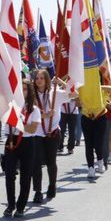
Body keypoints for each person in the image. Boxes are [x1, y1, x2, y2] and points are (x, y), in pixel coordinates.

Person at [28, 69, 69, 203]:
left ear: (47, 80)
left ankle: (52, 185)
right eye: (37, 78)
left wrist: (61, 82)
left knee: (51, 161)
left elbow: (74, 94)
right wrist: (44, 115)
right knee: (36, 162)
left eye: (41, 78)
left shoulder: (55, 93)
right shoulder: (31, 95)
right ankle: (38, 191)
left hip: (52, 132)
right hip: (37, 132)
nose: (39, 80)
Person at [4, 81, 44, 217]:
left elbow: (32, 129)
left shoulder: (34, 109)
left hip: (28, 142)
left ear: (30, 92)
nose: (23, 92)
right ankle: (10, 205)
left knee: (25, 176)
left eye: (25, 89)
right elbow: (7, 124)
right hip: (11, 140)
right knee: (9, 175)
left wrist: (18, 122)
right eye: (21, 90)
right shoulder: (11, 107)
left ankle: (21, 206)